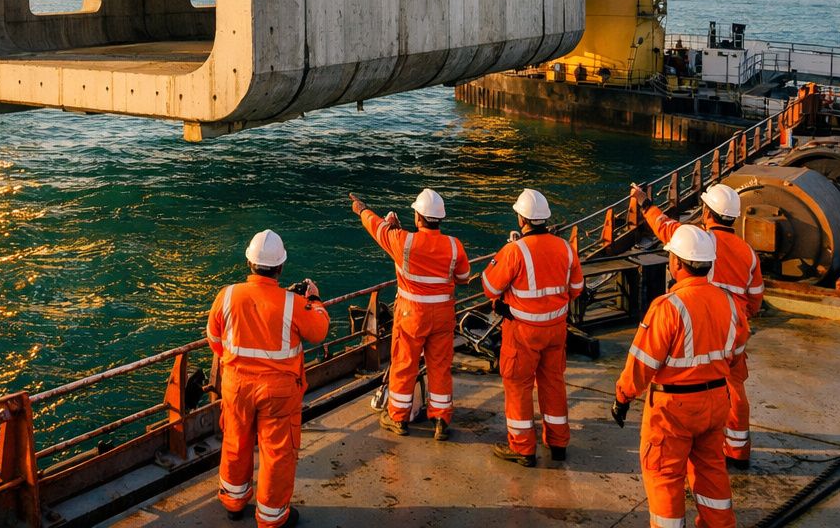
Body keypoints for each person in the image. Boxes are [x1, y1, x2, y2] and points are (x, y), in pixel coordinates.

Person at [611, 225, 748, 528]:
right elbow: (737, 355)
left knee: (664, 475)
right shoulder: (731, 304)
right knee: (711, 470)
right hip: (716, 402)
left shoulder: (668, 307)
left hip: (674, 409)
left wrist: (623, 396)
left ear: (676, 263)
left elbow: (641, 363)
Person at [632, 182, 764, 467]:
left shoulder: (693, 242)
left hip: (694, 323)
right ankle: (738, 450)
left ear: (706, 212)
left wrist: (644, 203)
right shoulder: (748, 253)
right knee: (734, 388)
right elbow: (755, 299)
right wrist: (740, 319)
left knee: (690, 384)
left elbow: (664, 225)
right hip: (732, 329)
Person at [207, 230, 328, 527]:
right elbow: (319, 331)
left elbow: (214, 336)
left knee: (235, 441)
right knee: (277, 453)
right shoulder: (294, 304)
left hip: (236, 386)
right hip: (278, 392)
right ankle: (272, 517)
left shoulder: (228, 295)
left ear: (249, 263)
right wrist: (314, 298)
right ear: (281, 267)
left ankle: (233, 502)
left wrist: (233, 363)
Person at [350, 189, 472, 440]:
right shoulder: (453, 245)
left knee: (404, 364)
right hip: (442, 314)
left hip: (411, 314)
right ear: (440, 218)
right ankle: (440, 419)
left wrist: (361, 209)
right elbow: (463, 278)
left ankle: (398, 417)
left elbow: (376, 227)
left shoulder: (403, 241)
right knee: (439, 366)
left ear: (418, 217)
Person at [481, 189, 584, 466]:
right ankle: (558, 442)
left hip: (522, 332)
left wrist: (502, 256)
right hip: (556, 329)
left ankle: (523, 447)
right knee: (553, 384)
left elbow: (490, 287)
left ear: (521, 219)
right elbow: (576, 289)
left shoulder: (514, 251)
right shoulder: (565, 248)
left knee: (518, 386)